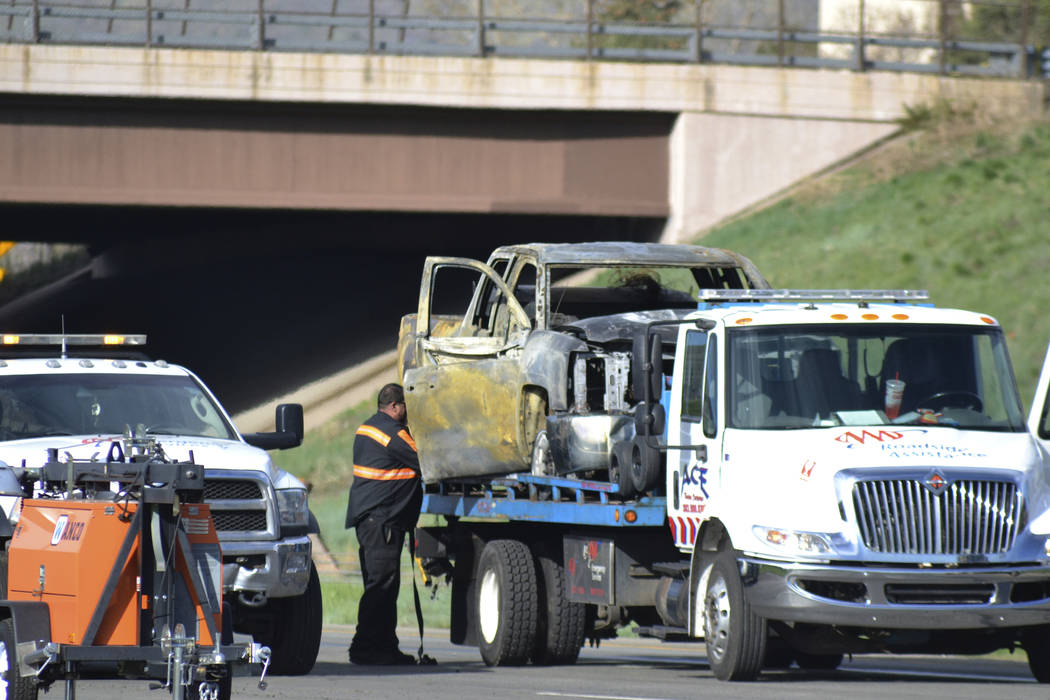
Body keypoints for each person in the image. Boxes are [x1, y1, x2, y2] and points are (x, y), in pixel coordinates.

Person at [345, 383, 423, 665]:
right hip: (382, 521)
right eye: (405, 408)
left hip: (372, 520)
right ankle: (363, 647)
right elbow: (423, 460)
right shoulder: (392, 433)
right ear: (396, 406)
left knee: (384, 586)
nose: (406, 414)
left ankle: (385, 647)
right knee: (381, 586)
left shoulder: (366, 428)